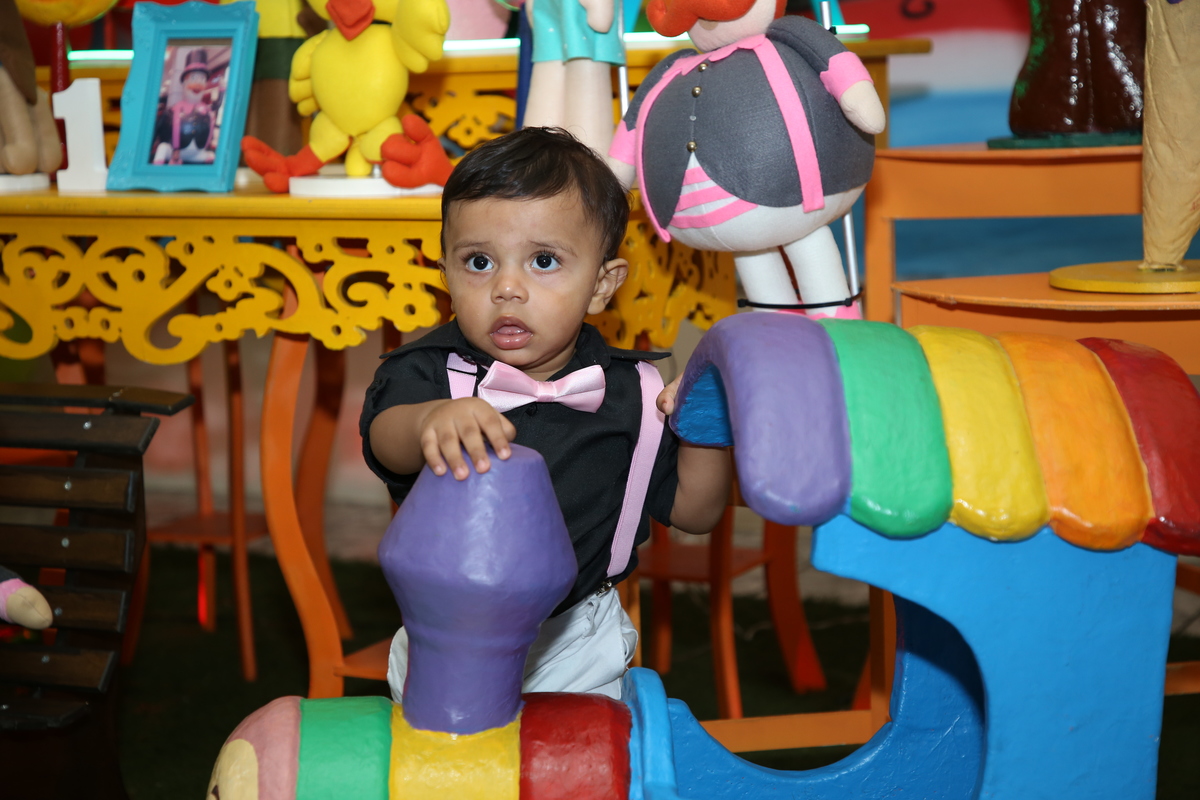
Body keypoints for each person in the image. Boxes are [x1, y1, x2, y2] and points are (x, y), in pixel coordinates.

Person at [361, 127, 732, 702]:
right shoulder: (430, 373)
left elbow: (696, 511)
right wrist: (428, 421)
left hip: (579, 637)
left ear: (602, 285)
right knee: (451, 755)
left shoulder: (635, 391)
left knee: (587, 755)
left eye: (543, 260)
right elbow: (386, 440)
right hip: (448, 636)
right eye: (479, 261)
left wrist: (708, 423)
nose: (507, 288)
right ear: (446, 274)